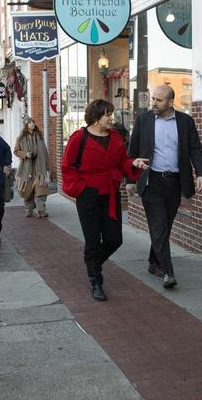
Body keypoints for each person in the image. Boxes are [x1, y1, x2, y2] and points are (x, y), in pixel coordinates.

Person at [62, 99, 149, 301]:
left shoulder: (116, 138)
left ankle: (92, 263)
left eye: (112, 114)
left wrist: (132, 163)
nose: (112, 118)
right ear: (95, 117)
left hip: (110, 194)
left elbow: (122, 163)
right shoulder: (79, 138)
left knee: (114, 239)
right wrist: (81, 189)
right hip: (88, 196)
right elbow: (68, 167)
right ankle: (96, 281)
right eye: (108, 114)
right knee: (92, 241)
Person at [127, 84, 202, 289]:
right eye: (153, 99)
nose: (153, 103)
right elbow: (132, 151)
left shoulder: (185, 121)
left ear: (170, 102)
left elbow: (196, 149)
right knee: (159, 225)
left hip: (174, 183)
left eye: (158, 100)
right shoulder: (143, 120)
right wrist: (129, 180)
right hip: (151, 181)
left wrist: (201, 174)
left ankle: (154, 262)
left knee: (165, 226)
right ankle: (168, 273)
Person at [14, 117, 51, 218]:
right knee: (28, 191)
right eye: (30, 122)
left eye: (33, 122)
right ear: (26, 125)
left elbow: (45, 152)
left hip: (40, 169)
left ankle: (41, 210)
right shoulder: (21, 138)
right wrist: (26, 154)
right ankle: (29, 208)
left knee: (41, 191)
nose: (32, 124)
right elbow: (16, 151)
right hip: (27, 169)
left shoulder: (39, 137)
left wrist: (48, 167)